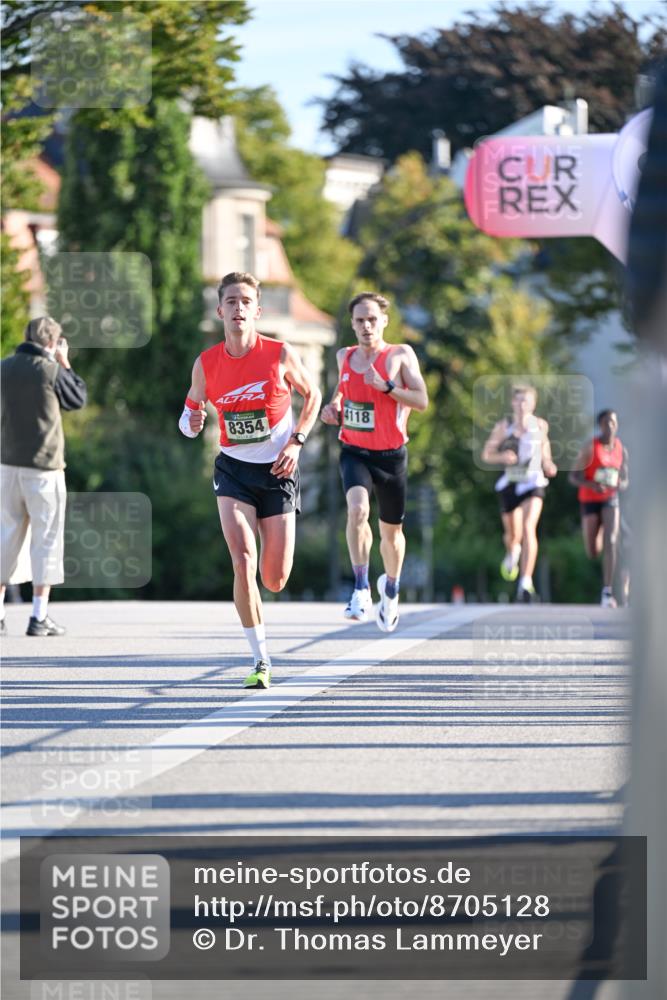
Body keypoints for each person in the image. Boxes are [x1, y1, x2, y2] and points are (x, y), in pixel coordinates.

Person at [179, 272, 321, 689]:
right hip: (233, 471)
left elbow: (312, 396)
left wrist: (296, 442)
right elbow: (188, 420)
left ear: (257, 311)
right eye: (231, 301)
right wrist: (193, 419)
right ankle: (261, 660)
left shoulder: (279, 354)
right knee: (242, 560)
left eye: (245, 301)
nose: (238, 308)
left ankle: (264, 601)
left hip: (278, 471)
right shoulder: (206, 363)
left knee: (274, 577)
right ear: (220, 309)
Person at [320, 292, 428, 631]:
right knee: (357, 511)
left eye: (372, 319)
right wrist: (333, 408)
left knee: (391, 533)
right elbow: (341, 391)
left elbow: (421, 400)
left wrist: (387, 387)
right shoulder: (344, 356)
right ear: (351, 324)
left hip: (391, 456)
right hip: (354, 451)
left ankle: (391, 590)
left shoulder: (399, 355)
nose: (366, 326)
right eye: (359, 320)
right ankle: (361, 587)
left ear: (383, 322)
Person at [1, 317, 87, 635]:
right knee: (46, 539)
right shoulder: (49, 370)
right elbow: (77, 398)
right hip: (44, 468)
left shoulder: (3, 367)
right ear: (51, 343)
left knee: (5, 537)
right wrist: (64, 362)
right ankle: (38, 617)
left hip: (7, 465)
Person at [481, 385, 557, 602]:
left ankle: (525, 581)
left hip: (533, 482)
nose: (522, 405)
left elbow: (545, 451)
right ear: (513, 403)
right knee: (513, 536)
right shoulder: (504, 426)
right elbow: (487, 454)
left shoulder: (540, 426)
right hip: (511, 483)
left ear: (533, 404)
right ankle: (512, 552)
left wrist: (549, 463)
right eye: (519, 400)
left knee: (527, 528)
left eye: (527, 401)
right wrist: (502, 456)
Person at [569, 409, 629, 608]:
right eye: (605, 423)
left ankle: (607, 591)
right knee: (593, 551)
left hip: (610, 499)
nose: (610, 427)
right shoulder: (590, 447)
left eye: (613, 422)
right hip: (589, 500)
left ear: (617, 424)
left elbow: (625, 479)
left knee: (612, 540)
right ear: (600, 425)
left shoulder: (621, 448)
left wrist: (620, 484)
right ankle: (599, 531)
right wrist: (592, 485)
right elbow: (573, 477)